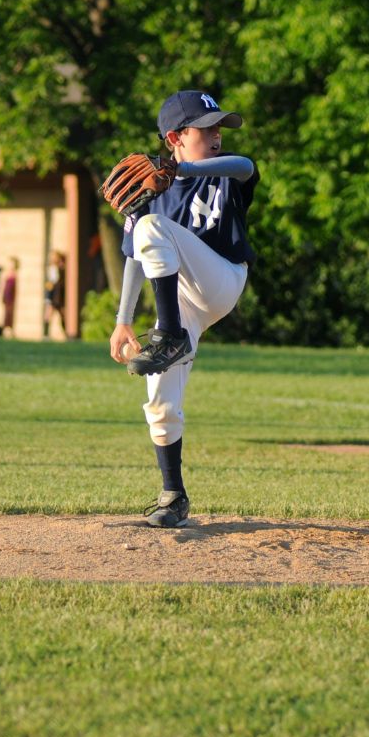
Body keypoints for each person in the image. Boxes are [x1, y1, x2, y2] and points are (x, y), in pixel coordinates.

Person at [108, 90, 259, 527]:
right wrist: (123, 323)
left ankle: (170, 336)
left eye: (219, 129)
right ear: (175, 135)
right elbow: (136, 255)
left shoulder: (223, 172)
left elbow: (245, 166)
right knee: (159, 400)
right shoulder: (149, 195)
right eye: (206, 128)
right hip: (180, 301)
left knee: (154, 227)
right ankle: (173, 495)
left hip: (222, 279)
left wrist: (183, 169)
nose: (217, 136)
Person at [43, 250, 65, 339]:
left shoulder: (61, 268)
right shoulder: (53, 269)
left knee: (62, 314)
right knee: (48, 314)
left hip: (59, 296)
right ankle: (46, 334)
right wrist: (48, 296)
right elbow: (52, 282)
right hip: (53, 295)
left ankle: (66, 333)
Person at [1, 256, 19, 337]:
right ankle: (6, 330)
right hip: (7, 297)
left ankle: (9, 330)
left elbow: (13, 288)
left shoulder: (14, 275)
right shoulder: (8, 274)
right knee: (6, 314)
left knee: (10, 314)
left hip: (11, 298)